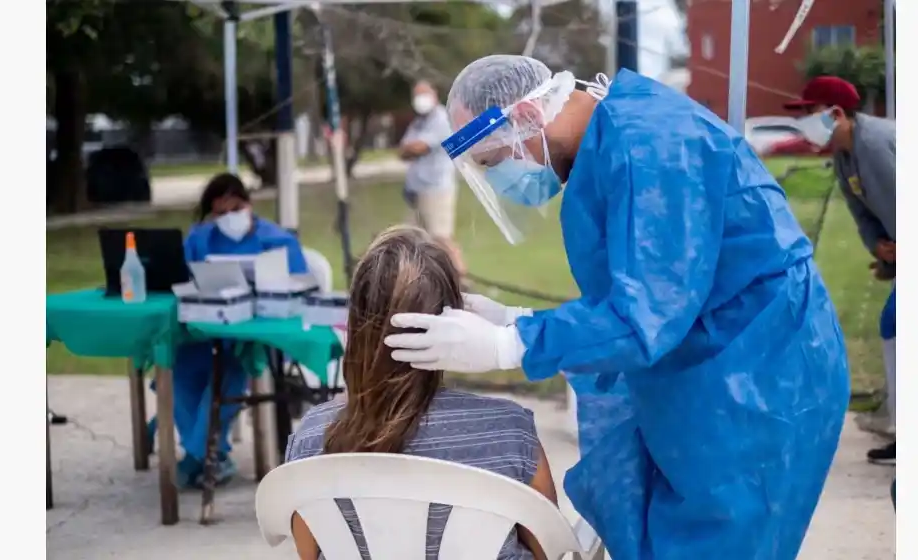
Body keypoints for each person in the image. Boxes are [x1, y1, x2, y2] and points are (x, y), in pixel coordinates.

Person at [382, 54, 850, 559]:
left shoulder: (652, 147)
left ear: (529, 116)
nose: (503, 179)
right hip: (712, 359)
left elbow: (644, 317)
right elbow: (644, 293)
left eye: (495, 162)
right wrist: (520, 320)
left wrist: (509, 344)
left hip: (759, 376)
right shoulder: (614, 139)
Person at [283, 225, 558, 560]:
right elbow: (551, 551)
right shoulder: (510, 432)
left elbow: (309, 554)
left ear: (355, 322)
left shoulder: (312, 440)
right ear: (457, 320)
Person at [160, 173, 310, 488]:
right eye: (221, 212)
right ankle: (212, 454)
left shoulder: (278, 240)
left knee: (227, 373)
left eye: (236, 208)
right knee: (176, 370)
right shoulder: (200, 239)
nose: (230, 217)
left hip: (257, 339)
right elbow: (179, 281)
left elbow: (302, 289)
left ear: (249, 204)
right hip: (208, 332)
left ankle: (199, 455)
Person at [786, 76, 898, 462]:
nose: (804, 119)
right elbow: (864, 213)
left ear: (836, 114)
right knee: (893, 324)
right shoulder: (845, 157)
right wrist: (880, 249)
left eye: (810, 111)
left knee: (895, 323)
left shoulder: (874, 144)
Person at [398, 80, 465, 273]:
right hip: (417, 191)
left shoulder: (441, 119)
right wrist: (411, 149)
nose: (420, 99)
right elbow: (402, 151)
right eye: (417, 95)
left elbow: (420, 147)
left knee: (441, 238)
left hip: (436, 190)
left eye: (424, 94)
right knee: (412, 239)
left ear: (434, 95)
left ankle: (462, 280)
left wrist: (412, 148)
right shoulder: (419, 123)